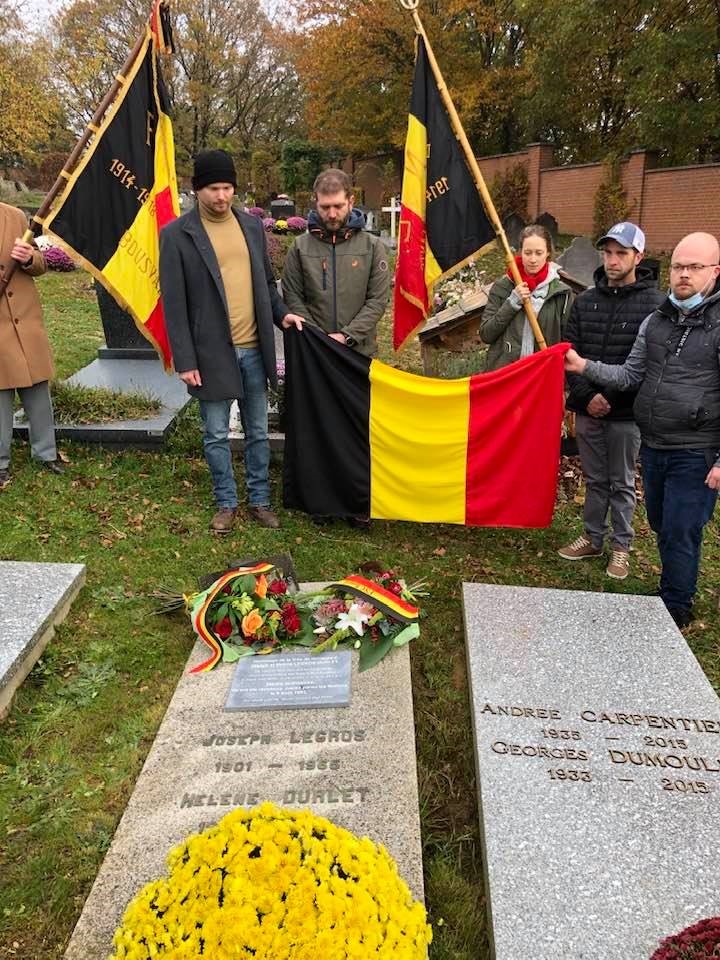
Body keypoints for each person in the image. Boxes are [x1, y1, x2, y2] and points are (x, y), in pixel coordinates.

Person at [565, 231, 720, 628]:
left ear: (714, 272)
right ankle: (671, 591)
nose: (684, 275)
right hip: (655, 444)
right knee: (662, 524)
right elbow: (630, 373)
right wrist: (584, 369)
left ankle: (675, 609)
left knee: (681, 530)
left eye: (694, 267)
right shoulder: (658, 321)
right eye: (679, 266)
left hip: (696, 449)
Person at [159, 149, 303, 534]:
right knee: (216, 433)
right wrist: (185, 359)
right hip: (211, 354)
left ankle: (259, 500)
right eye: (213, 189)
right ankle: (226, 502)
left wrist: (282, 313)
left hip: (256, 348)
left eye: (227, 188)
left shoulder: (252, 228)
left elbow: (266, 286)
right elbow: (172, 304)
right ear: (197, 190)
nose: (221, 196)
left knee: (258, 430)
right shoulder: (177, 235)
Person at [558, 222, 665, 579]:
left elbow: (652, 363)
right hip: (589, 408)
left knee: (621, 481)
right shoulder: (586, 301)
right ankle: (592, 536)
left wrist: (610, 396)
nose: (613, 260)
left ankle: (621, 546)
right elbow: (569, 354)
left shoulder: (655, 304)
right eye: (608, 252)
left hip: (625, 412)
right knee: (595, 478)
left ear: (639, 256)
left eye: (622, 253)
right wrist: (587, 398)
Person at [281, 168, 390, 358]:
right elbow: (293, 297)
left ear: (351, 201)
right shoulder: (300, 247)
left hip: (359, 353)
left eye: (338, 206)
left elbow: (377, 301)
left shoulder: (372, 247)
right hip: (313, 351)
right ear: (315, 202)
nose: (332, 214)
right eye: (325, 207)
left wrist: (347, 336)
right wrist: (320, 338)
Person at [0, 203, 64, 489]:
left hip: (25, 321)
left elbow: (40, 264)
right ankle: (0, 462)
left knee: (37, 389)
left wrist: (29, 258)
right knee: (0, 393)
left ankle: (46, 454)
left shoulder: (13, 216)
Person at [479, 224, 572, 371]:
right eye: (528, 253)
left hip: (540, 375)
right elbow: (486, 334)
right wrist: (512, 303)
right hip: (506, 374)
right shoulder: (502, 286)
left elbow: (567, 343)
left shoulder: (561, 293)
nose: (533, 259)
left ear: (548, 253)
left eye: (539, 253)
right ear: (520, 252)